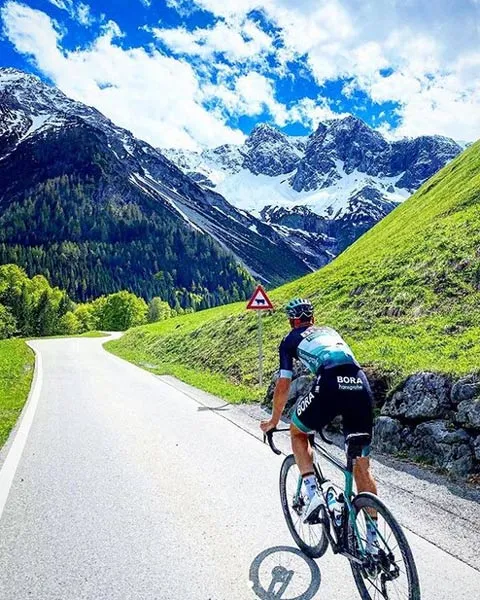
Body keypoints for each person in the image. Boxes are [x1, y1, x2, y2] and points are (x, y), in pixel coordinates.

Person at [260, 298, 378, 550]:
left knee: (298, 431)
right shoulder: (330, 331)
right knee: (362, 467)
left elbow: (283, 384)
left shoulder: (290, 339)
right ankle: (373, 542)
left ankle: (313, 494)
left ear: (292, 320)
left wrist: (273, 420)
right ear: (313, 318)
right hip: (360, 384)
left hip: (330, 381)